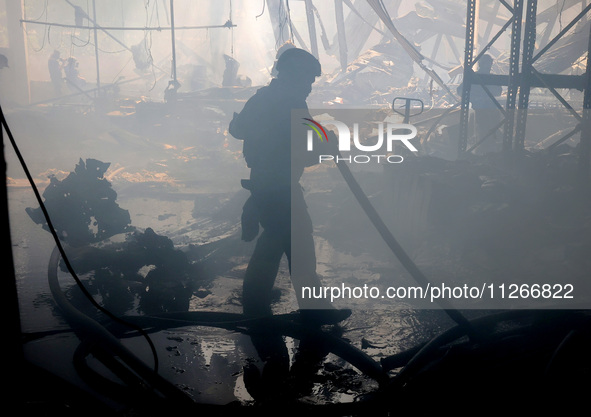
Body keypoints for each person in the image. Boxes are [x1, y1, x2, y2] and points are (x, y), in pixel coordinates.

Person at [229, 48, 351, 324]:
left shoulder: (263, 98)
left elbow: (238, 130)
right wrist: (327, 145)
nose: (309, 86)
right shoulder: (291, 103)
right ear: (293, 76)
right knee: (288, 246)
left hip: (268, 184)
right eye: (307, 79)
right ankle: (281, 311)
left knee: (284, 244)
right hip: (278, 187)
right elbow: (304, 150)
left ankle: (264, 307)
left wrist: (323, 140)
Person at [458, 54, 503, 154]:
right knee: (484, 133)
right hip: (483, 111)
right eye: (487, 64)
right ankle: (484, 153)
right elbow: (460, 90)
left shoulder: (479, 77)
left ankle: (486, 152)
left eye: (489, 64)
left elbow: (499, 91)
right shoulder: (476, 77)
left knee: (487, 133)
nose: (488, 66)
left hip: (489, 111)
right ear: (481, 64)